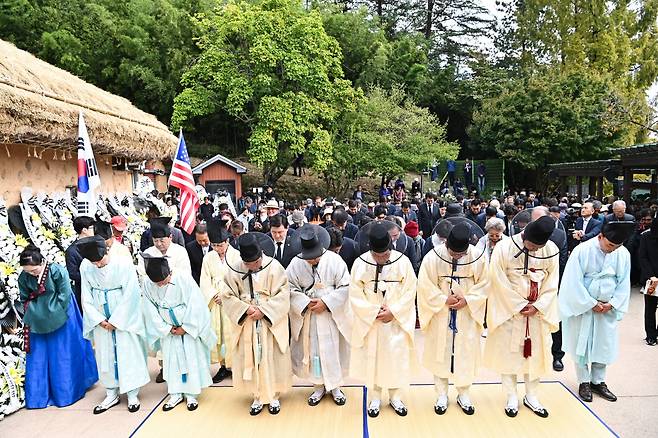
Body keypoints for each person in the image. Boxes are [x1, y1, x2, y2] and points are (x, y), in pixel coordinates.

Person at [484, 216, 559, 418]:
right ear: (525, 235)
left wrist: (539, 305)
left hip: (536, 314)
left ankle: (532, 396)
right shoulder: (504, 247)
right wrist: (518, 304)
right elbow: (496, 279)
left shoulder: (550, 249)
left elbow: (552, 282)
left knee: (535, 356)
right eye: (532, 246)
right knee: (509, 356)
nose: (534, 250)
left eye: (538, 247)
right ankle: (511, 396)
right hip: (510, 312)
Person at [560, 221, 635, 403]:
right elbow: (572, 281)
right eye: (610, 245)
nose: (613, 249)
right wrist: (589, 303)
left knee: (604, 344)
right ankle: (584, 381)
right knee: (582, 345)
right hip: (584, 306)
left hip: (607, 306)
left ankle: (598, 381)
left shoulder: (622, 253)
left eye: (617, 246)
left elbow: (624, 282)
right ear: (600, 236)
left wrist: (614, 303)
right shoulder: (582, 250)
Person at [417, 222, 487, 416]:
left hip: (467, 312)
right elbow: (424, 285)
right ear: (447, 244)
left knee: (465, 352)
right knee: (441, 351)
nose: (457, 257)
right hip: (441, 312)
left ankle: (463, 392)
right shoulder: (433, 256)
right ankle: (441, 394)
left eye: (460, 254)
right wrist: (442, 299)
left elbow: (485, 284)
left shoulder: (478, 256)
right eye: (454, 253)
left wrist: (469, 299)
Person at [349, 221, 417, 418]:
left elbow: (410, 289)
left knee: (395, 358)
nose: (381, 259)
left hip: (395, 321)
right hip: (372, 321)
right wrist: (373, 311)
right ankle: (375, 397)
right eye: (377, 256)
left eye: (385, 255)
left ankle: (395, 397)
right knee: (374, 359)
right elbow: (354, 294)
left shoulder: (402, 262)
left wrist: (394, 311)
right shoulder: (361, 262)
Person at [18, 245, 98, 409]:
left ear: (41, 263)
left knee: (62, 353)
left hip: (62, 313)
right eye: (28, 272)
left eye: (34, 271)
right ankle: (39, 396)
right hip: (37, 316)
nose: (31, 274)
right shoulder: (24, 276)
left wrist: (52, 313)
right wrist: (37, 312)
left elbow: (65, 295)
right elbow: (24, 297)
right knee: (38, 355)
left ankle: (66, 392)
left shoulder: (56, 270)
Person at [221, 233, 292, 415]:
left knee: (271, 356)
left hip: (269, 323)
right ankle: (257, 396)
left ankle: (273, 395)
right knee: (251, 355)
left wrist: (265, 310)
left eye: (255, 263)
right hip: (248, 321)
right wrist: (245, 309)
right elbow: (227, 296)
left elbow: (284, 294)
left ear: (260, 255)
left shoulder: (274, 267)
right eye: (248, 264)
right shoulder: (235, 269)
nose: (252, 267)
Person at [79, 236, 150, 414]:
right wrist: (98, 319)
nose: (97, 265)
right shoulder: (86, 266)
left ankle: (133, 392)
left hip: (124, 316)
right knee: (105, 355)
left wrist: (117, 320)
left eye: (99, 261)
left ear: (106, 252)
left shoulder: (123, 264)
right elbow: (85, 296)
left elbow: (131, 294)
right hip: (100, 315)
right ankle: (111, 392)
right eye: (93, 262)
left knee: (128, 351)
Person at [142, 255, 216, 411]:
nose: (161, 285)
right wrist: (166, 328)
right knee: (171, 360)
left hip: (187, 326)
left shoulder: (183, 278)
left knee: (191, 358)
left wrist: (187, 327)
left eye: (164, 281)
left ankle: (191, 394)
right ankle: (175, 393)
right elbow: (149, 309)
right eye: (158, 283)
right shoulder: (148, 284)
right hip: (167, 328)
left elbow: (196, 304)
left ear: (169, 272)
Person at [288, 224, 352, 406]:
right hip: (309, 315)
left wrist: (327, 302)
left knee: (332, 350)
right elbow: (289, 288)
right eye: (309, 258)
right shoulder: (296, 263)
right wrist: (305, 302)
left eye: (315, 257)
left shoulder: (334, 260)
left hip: (330, 315)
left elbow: (346, 286)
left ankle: (335, 387)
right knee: (313, 351)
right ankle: (318, 386)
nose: (312, 260)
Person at [200, 220, 236, 382]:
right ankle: (223, 366)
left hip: (232, 301)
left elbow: (240, 280)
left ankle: (236, 365)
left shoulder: (236, 256)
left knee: (233, 332)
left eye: (220, 245)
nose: (217, 249)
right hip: (215, 302)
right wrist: (214, 294)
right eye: (214, 245)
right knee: (219, 333)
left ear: (227, 242)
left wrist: (226, 295)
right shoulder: (209, 257)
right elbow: (204, 280)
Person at [65, 215, 95, 313]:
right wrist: (91, 276)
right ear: (84, 230)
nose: (93, 230)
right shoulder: (72, 251)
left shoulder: (97, 244)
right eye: (91, 228)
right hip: (83, 290)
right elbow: (73, 274)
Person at [640, 217, 658, 345]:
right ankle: (650, 335)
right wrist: (651, 275)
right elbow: (642, 257)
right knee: (650, 308)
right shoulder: (646, 237)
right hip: (651, 278)